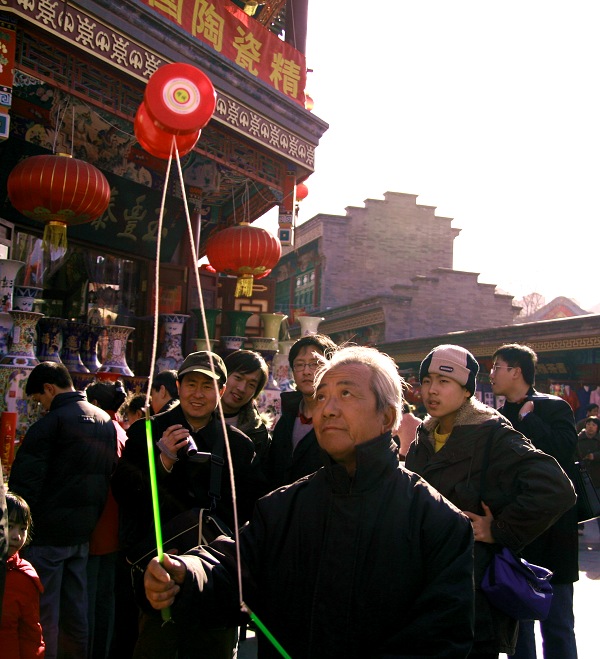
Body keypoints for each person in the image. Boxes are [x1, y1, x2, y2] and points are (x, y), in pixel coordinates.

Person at [143, 345, 476, 659]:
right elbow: (233, 570)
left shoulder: (437, 522)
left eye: (346, 393)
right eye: (321, 397)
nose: (327, 409)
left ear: (388, 417)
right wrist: (187, 572)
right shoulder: (283, 507)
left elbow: (441, 637)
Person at [405, 344, 576, 659]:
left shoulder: (492, 433)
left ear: (466, 389)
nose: (431, 390)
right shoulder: (423, 438)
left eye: (444, 382)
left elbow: (556, 488)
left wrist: (499, 529)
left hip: (472, 594)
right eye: (427, 381)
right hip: (425, 593)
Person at [111, 351, 262, 659]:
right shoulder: (146, 431)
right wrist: (162, 459)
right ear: (178, 387)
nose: (198, 394)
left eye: (207, 386)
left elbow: (247, 513)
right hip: (159, 573)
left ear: (220, 392)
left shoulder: (239, 445)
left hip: (214, 575)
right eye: (191, 384)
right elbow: (124, 495)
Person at [8, 362, 116, 659]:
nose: (41, 404)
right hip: (83, 533)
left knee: (46, 615)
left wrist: (19, 529)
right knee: (76, 610)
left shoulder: (50, 424)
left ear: (49, 388)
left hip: (46, 536)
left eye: (40, 398)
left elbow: (24, 486)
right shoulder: (105, 421)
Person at [489, 343, 579, 659]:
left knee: (558, 627)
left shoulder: (554, 408)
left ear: (516, 371)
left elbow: (563, 455)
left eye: (497, 366)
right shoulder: (497, 419)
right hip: (517, 537)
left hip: (555, 534)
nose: (492, 373)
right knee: (518, 633)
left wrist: (530, 419)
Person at [84, 379, 128, 659]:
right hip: (115, 526)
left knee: (89, 601)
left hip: (97, 524)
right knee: (105, 600)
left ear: (96, 404)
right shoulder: (120, 431)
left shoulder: (99, 430)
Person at [266, 333, 337, 489]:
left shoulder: (338, 419)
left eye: (314, 363)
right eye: (299, 364)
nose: (306, 371)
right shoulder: (287, 419)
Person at [0, 491, 45, 658]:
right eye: (9, 526)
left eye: (23, 528)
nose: (16, 536)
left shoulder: (25, 578)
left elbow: (31, 635)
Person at [222, 349, 271, 463]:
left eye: (251, 384)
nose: (242, 388)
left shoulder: (258, 434)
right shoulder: (198, 416)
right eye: (238, 378)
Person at [575, 416, 600, 534]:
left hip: (597, 476)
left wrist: (594, 456)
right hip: (583, 474)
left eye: (594, 425)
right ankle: (580, 526)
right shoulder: (578, 438)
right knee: (581, 500)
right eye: (589, 424)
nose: (591, 427)